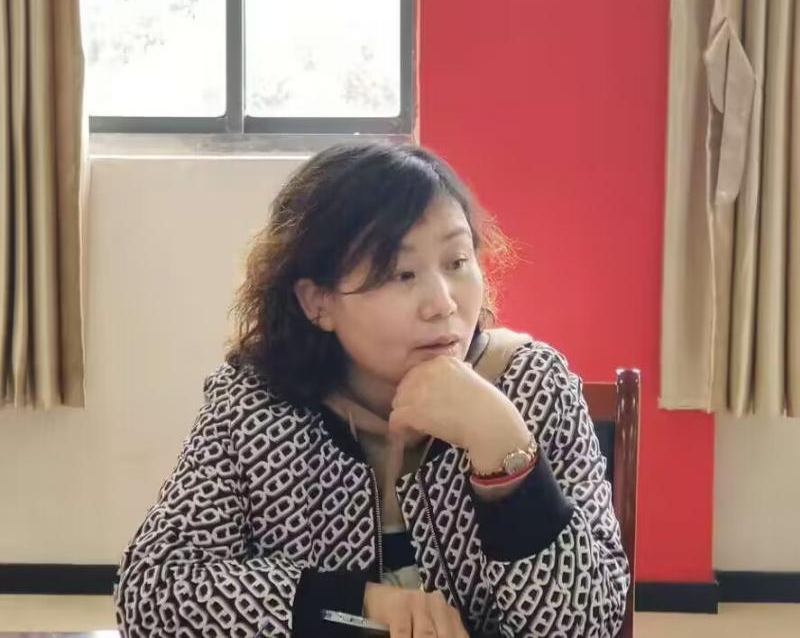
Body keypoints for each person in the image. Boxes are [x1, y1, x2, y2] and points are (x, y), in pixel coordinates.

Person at [114, 142, 630, 637]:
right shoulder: (255, 403)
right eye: (401, 274)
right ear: (317, 301)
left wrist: (505, 453)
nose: (442, 304)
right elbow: (154, 593)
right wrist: (359, 604)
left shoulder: (531, 384)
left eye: (456, 262)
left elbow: (587, 623)